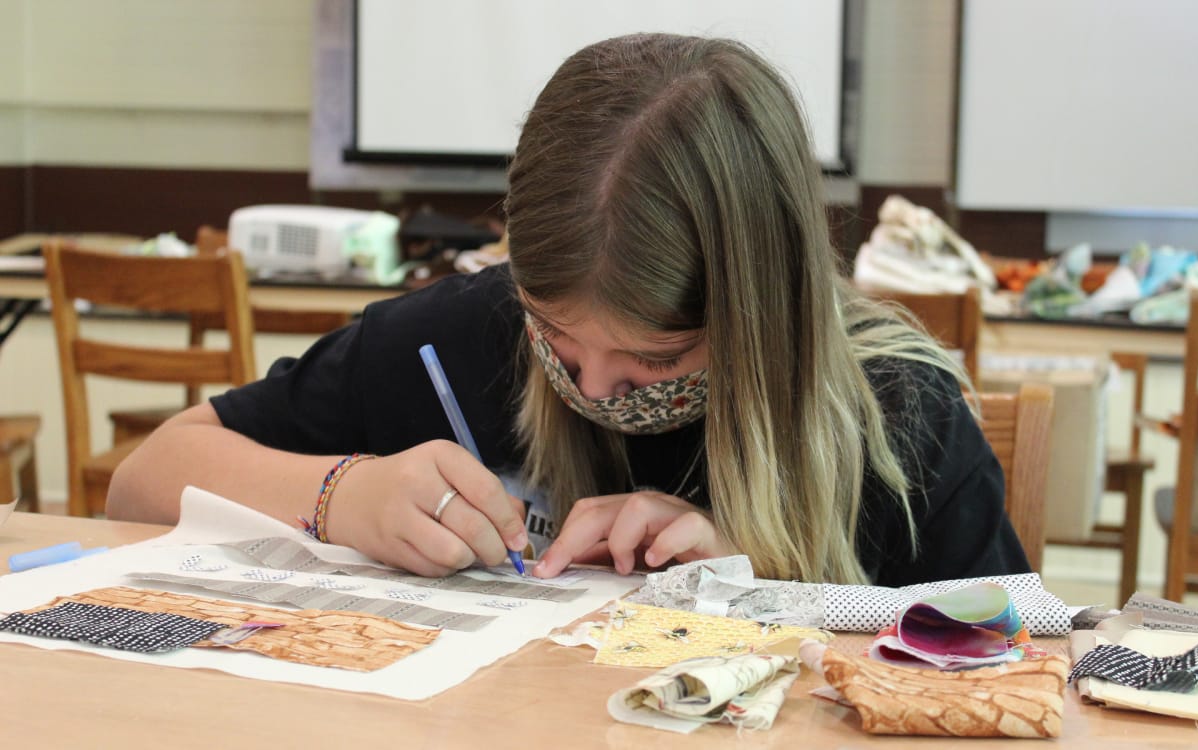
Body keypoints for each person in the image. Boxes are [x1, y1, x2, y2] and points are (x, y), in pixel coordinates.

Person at [108, 33, 1029, 586]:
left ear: (760, 320)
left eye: (656, 365)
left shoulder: (896, 414)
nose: (593, 388)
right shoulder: (456, 341)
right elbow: (144, 478)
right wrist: (339, 496)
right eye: (557, 339)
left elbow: (1021, 645)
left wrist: (762, 590)